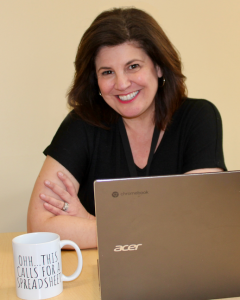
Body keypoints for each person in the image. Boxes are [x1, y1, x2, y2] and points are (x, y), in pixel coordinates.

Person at [27, 7, 226, 249]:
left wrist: (91, 224)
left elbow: (201, 222)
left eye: (133, 66)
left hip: (181, 278)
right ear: (95, 80)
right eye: (107, 72)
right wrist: (141, 230)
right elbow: (40, 227)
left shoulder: (198, 118)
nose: (121, 83)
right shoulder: (81, 124)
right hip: (98, 280)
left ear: (159, 66)